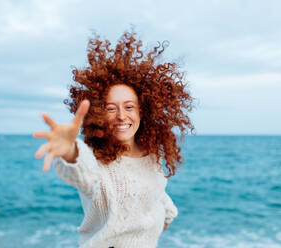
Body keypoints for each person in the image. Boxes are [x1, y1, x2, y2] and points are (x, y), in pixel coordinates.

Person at [33, 30, 194, 248]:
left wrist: (167, 213)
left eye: (129, 107)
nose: (121, 115)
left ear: (142, 112)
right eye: (111, 108)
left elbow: (155, 190)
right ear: (98, 114)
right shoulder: (96, 161)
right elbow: (82, 173)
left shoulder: (150, 154)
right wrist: (70, 151)